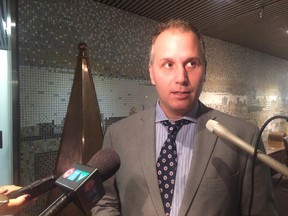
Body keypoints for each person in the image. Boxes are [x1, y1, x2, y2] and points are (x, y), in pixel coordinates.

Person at [91, 19, 278, 216]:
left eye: (191, 63)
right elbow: (105, 202)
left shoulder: (244, 137)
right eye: (168, 64)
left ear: (204, 69)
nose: (181, 77)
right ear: (152, 73)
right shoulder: (118, 135)